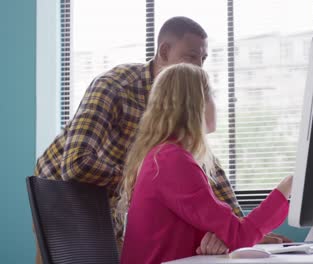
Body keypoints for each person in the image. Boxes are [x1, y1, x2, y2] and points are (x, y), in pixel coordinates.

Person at [34, 16, 289, 263]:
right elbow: (77, 163)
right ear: (164, 51)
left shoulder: (176, 133)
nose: (198, 67)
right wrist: (145, 180)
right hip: (61, 192)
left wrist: (236, 230)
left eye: (203, 59)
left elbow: (206, 171)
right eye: (191, 57)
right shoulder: (116, 87)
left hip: (114, 201)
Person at [119, 63, 293, 264]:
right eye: (211, 96)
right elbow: (238, 235)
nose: (215, 105)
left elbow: (220, 232)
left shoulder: (163, 156)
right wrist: (287, 187)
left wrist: (216, 238)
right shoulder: (171, 161)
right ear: (196, 105)